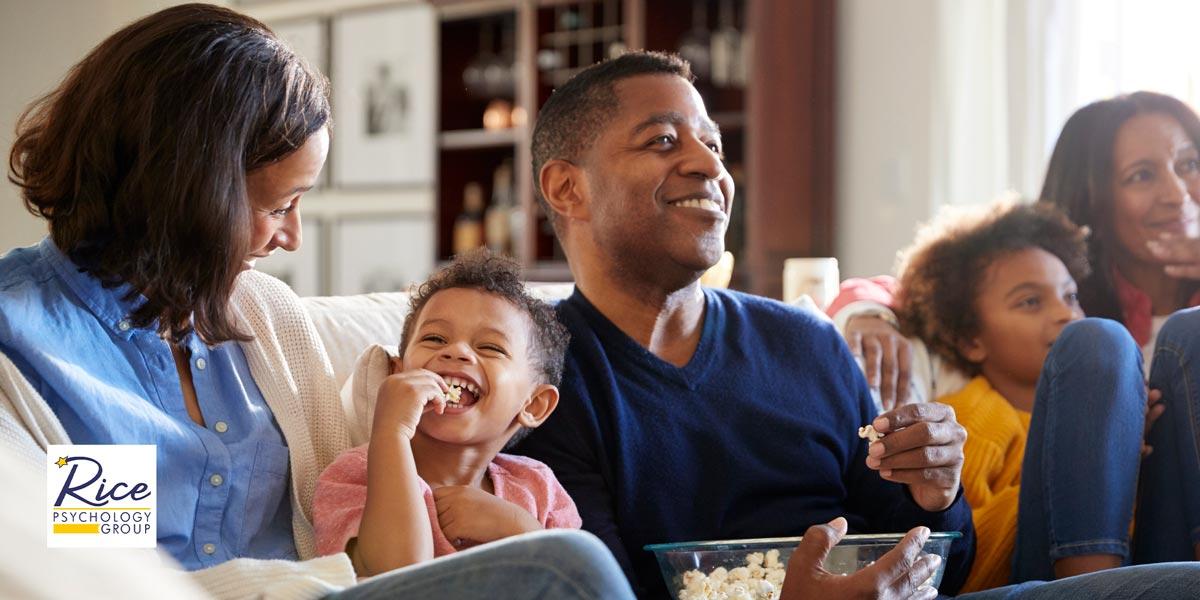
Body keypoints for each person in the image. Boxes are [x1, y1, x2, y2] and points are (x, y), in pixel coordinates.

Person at [0, 5, 633, 599]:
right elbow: (74, 576)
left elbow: (362, 522)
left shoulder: (266, 316)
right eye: (277, 206)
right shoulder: (22, 343)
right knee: (564, 567)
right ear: (185, 193)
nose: (292, 236)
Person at [514, 49, 975, 599]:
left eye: (713, 145)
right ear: (568, 188)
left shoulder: (807, 344)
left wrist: (938, 495)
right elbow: (601, 591)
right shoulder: (539, 380)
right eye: (662, 140)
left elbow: (938, 565)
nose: (710, 167)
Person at [829, 92, 1200, 565]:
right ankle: (1088, 586)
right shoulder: (1000, 400)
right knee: (1097, 343)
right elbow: (918, 293)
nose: (1177, 193)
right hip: (1068, 562)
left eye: (1189, 163)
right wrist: (866, 309)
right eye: (1142, 175)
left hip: (1162, 546)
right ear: (1095, 201)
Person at [891, 200, 1166, 588]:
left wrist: (1117, 454)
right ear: (971, 339)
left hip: (1146, 572)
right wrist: (1087, 457)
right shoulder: (971, 417)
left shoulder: (1127, 409)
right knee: (1098, 340)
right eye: (1031, 301)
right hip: (1036, 583)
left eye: (1070, 296)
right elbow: (969, 565)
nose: (1064, 314)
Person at [314, 250, 582, 575]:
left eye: (490, 347)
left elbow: (583, 582)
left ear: (533, 404)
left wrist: (519, 530)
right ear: (396, 375)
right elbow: (394, 581)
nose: (455, 351)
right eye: (435, 338)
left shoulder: (538, 488)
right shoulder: (355, 475)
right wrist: (390, 432)